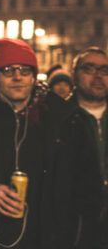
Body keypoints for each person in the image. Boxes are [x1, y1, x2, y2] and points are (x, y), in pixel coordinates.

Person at [0, 38, 102, 249]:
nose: (17, 77)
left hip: (47, 240)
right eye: (8, 70)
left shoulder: (65, 121)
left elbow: (88, 192)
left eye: (25, 70)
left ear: (34, 77)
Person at [70, 47, 108, 248]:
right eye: (89, 68)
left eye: (104, 70)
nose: (98, 76)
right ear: (73, 75)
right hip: (77, 232)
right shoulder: (60, 120)